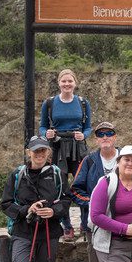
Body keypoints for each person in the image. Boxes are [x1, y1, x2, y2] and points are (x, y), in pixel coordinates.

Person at [1, 136, 70, 262]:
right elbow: (5, 204)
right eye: (35, 151)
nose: (39, 154)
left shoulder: (57, 174)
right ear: (28, 153)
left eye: (43, 150)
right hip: (23, 233)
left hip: (49, 232)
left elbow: (65, 200)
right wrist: (26, 209)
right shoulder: (17, 175)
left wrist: (54, 211)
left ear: (48, 152)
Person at [70, 121, 119, 262]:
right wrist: (93, 204)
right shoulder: (89, 161)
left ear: (115, 137)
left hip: (121, 224)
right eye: (101, 134)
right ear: (96, 139)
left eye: (109, 133)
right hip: (95, 225)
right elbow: (74, 190)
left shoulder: (125, 158)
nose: (105, 137)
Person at [39, 68, 93, 242]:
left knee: (82, 186)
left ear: (75, 83)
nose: (67, 84)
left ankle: (85, 225)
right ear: (59, 83)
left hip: (78, 148)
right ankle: (67, 227)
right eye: (64, 81)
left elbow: (88, 127)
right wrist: (46, 134)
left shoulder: (83, 103)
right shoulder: (49, 103)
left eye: (70, 81)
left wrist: (83, 135)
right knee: (60, 188)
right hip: (57, 148)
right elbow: (42, 126)